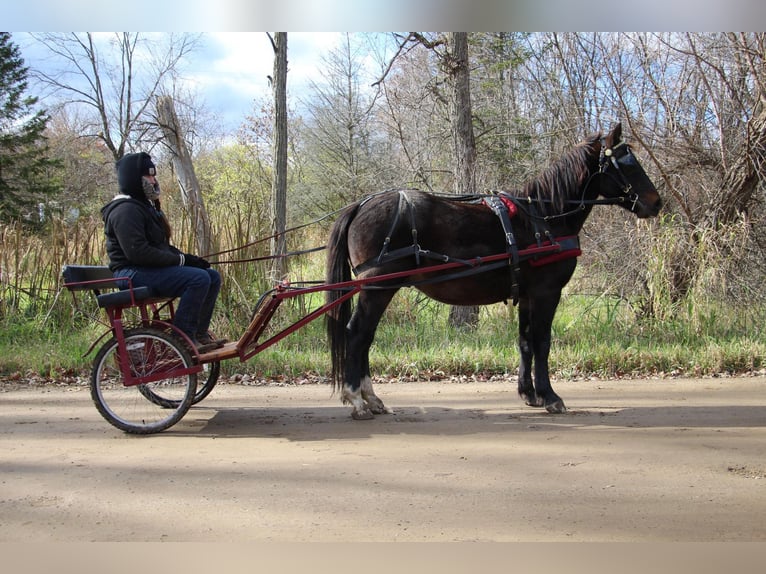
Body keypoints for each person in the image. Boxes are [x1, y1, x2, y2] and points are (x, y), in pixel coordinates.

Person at [101, 152, 226, 353]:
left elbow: (160, 247)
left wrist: (189, 260)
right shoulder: (124, 210)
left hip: (144, 270)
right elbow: (139, 253)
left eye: (154, 176)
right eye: (149, 176)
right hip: (131, 272)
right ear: (134, 179)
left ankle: (198, 334)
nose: (154, 180)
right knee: (198, 279)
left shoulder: (143, 208)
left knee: (211, 276)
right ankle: (181, 339)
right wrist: (181, 261)